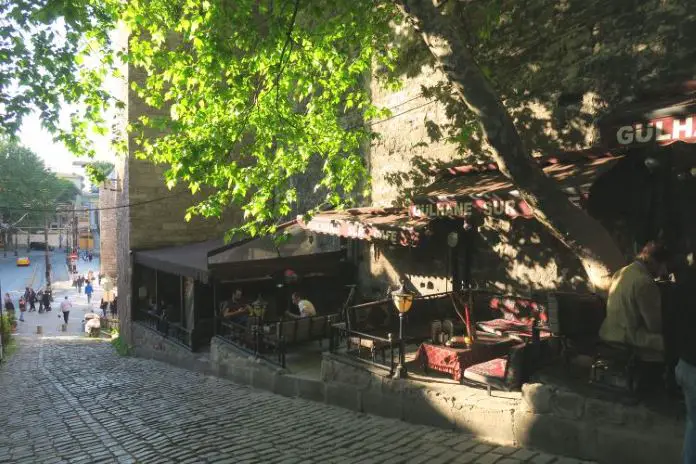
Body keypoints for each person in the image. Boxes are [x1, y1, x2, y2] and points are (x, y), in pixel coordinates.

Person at [599, 241, 669, 362]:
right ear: (654, 262)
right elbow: (655, 326)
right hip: (629, 339)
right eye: (663, 266)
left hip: (609, 333)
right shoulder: (645, 282)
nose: (663, 271)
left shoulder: (621, 272)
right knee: (671, 343)